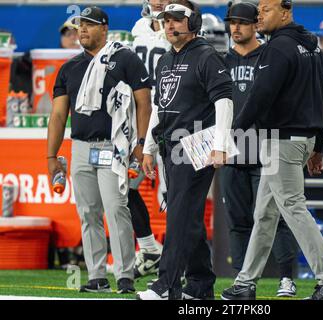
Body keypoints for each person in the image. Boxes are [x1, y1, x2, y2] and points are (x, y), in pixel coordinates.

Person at [221, 0, 323, 300]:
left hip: (281, 141)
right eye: (259, 10)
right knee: (265, 213)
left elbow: (259, 97)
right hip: (301, 141)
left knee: (292, 207)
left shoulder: (276, 48)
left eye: (266, 9)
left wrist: (230, 135)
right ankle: (245, 282)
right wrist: (317, 146)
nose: (259, 15)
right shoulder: (312, 47)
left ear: (286, 11)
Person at [47, 6, 152, 294]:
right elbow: (57, 116)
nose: (82, 30)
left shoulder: (125, 59)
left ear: (104, 28)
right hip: (80, 145)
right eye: (80, 25)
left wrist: (142, 144)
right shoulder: (69, 68)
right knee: (88, 213)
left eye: (90, 25)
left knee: (117, 209)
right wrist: (51, 156)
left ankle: (125, 275)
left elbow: (145, 103)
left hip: (113, 146)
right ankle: (96, 275)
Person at [136, 0, 234, 300]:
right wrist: (149, 148)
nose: (169, 25)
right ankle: (200, 284)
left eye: (177, 19)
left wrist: (219, 146)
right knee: (188, 217)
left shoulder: (206, 56)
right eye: (166, 20)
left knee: (179, 215)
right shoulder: (166, 60)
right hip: (170, 145)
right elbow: (158, 105)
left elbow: (224, 101)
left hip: (196, 145)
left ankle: (166, 284)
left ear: (193, 23)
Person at [220, 1, 298, 298]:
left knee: (276, 217)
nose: (236, 27)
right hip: (232, 149)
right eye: (232, 22)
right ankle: (243, 281)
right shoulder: (221, 61)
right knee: (238, 220)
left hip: (268, 145)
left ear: (256, 24)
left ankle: (286, 279)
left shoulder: (270, 54)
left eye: (242, 22)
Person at [129, 0, 172, 281]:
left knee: (173, 196)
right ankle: (148, 249)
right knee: (124, 185)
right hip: (140, 117)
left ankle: (177, 262)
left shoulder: (182, 28)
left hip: (171, 117)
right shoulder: (139, 28)